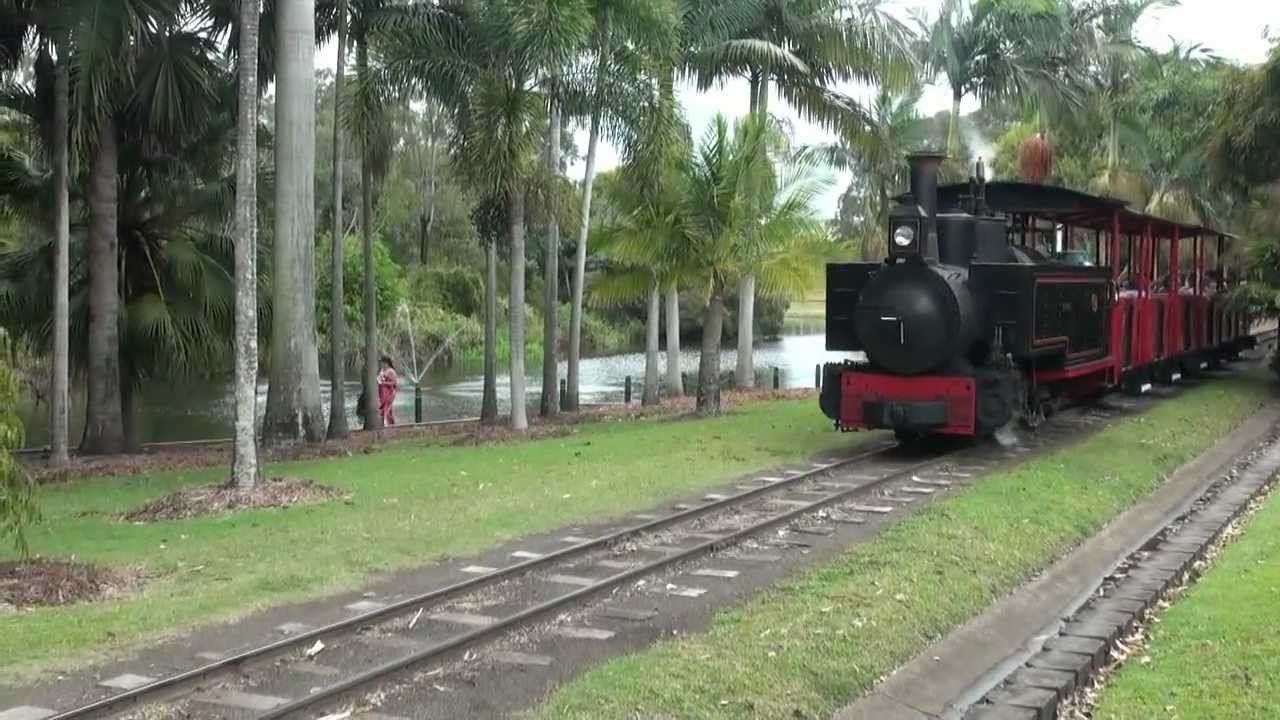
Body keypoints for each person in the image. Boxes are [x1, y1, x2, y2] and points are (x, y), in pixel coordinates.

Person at [377, 355, 398, 426]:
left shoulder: (391, 371)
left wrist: (384, 383)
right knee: (388, 410)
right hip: (382, 393)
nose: (380, 364)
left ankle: (385, 425)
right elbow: (379, 379)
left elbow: (394, 383)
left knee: (386, 409)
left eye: (382, 362)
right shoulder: (382, 370)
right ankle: (392, 425)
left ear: (386, 362)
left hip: (389, 393)